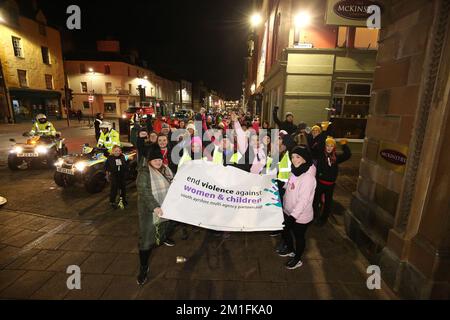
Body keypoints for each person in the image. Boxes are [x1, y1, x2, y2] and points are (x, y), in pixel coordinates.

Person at [136, 146, 175, 285]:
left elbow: (174, 184)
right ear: (149, 161)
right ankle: (143, 267)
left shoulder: (166, 169)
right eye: (155, 160)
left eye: (159, 159)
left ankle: (163, 238)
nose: (158, 162)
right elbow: (144, 192)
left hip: (165, 207)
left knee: (166, 227)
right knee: (146, 240)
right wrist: (155, 207)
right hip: (149, 210)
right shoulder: (144, 172)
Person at [277, 145, 316, 270]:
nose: (294, 159)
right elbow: (289, 187)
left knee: (299, 237)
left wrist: (292, 217)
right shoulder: (294, 171)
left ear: (304, 159)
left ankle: (297, 258)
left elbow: (303, 201)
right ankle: (290, 249)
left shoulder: (308, 178)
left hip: (300, 216)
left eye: (298, 157)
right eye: (293, 157)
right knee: (286, 232)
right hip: (287, 210)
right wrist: (280, 184)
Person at [314, 137, 351, 226]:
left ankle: (323, 219)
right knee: (316, 201)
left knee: (327, 203)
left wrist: (344, 145)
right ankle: (315, 216)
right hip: (320, 183)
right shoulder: (321, 155)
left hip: (330, 185)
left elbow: (347, 155)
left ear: (334, 147)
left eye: (331, 146)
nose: (329, 148)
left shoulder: (336, 158)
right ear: (325, 146)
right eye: (327, 145)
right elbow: (317, 146)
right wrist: (324, 132)